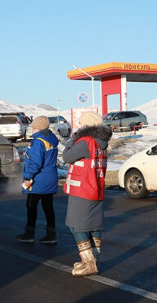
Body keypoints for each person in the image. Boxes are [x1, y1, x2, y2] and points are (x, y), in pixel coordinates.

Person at [63, 111, 112, 277]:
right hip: (96, 188)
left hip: (82, 189)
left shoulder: (85, 142)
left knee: (76, 225)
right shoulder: (102, 141)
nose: (80, 126)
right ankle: (92, 259)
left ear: (87, 125)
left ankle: (89, 262)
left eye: (82, 123)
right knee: (93, 225)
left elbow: (67, 156)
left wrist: (72, 140)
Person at [16, 116, 59, 244]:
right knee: (48, 206)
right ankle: (51, 234)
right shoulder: (51, 140)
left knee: (31, 205)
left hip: (38, 179)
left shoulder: (38, 141)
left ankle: (29, 234)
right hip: (50, 177)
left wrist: (28, 177)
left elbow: (35, 162)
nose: (32, 130)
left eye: (34, 127)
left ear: (38, 128)